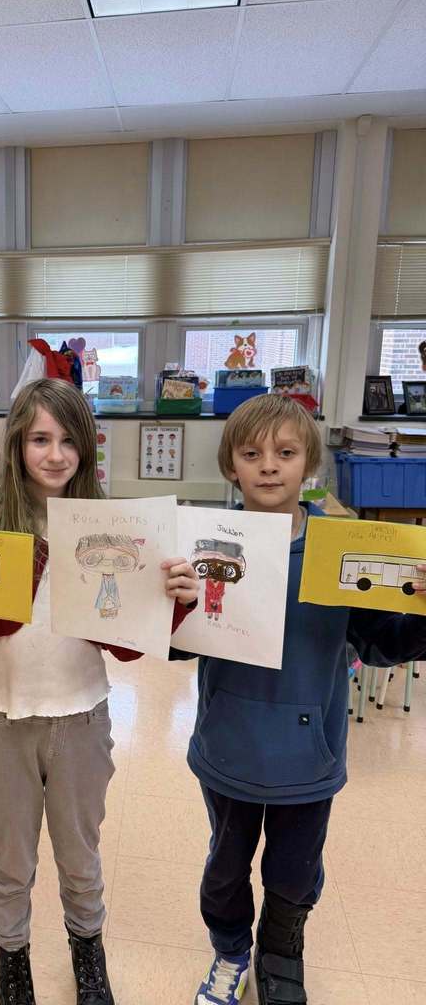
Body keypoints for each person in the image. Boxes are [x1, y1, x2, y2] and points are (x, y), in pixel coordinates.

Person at [0, 378, 198, 1005]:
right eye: (40, 439)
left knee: (81, 858)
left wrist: (175, 604)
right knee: (10, 860)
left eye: (68, 440)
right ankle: (12, 961)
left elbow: (129, 646)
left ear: (88, 447)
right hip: (5, 722)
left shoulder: (113, 532)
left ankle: (88, 953)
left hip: (82, 723)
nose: (55, 454)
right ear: (16, 446)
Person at [180, 394, 426, 1005]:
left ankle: (282, 958)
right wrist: (173, 603)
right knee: (225, 868)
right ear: (231, 466)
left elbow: (380, 642)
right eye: (252, 453)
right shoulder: (207, 543)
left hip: (308, 760)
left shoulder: (339, 550)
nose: (269, 466)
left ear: (308, 465)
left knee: (293, 875)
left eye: (285, 453)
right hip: (230, 747)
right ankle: (231, 952)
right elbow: (177, 648)